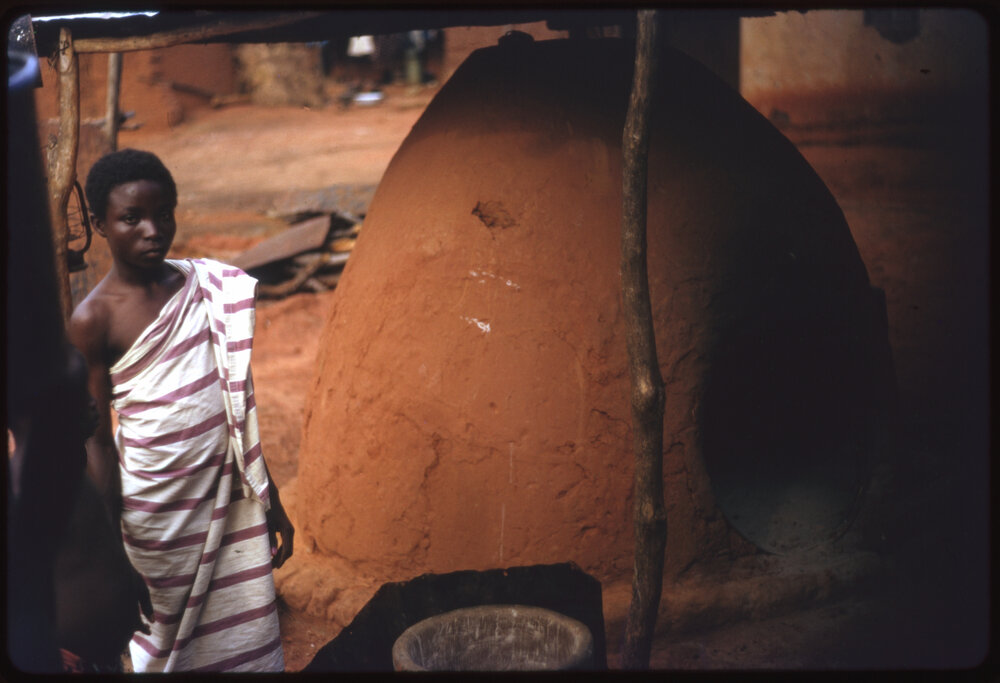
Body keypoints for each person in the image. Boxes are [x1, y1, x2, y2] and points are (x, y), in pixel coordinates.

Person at [67, 149, 294, 672]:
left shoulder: (205, 288)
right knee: (164, 648)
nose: (153, 230)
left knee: (244, 642)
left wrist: (269, 495)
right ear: (100, 224)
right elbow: (98, 440)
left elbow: (238, 408)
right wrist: (112, 551)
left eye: (164, 213)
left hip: (226, 498)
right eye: (132, 219)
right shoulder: (93, 319)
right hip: (154, 516)